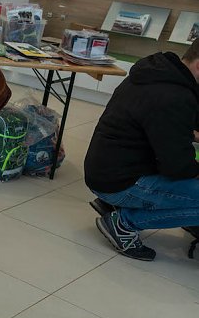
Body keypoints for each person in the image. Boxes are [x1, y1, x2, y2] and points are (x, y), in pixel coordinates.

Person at [85, 41, 199, 261]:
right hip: (119, 182)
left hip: (107, 170)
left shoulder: (162, 73)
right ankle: (123, 223)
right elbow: (178, 167)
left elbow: (169, 124)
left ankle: (116, 205)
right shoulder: (173, 95)